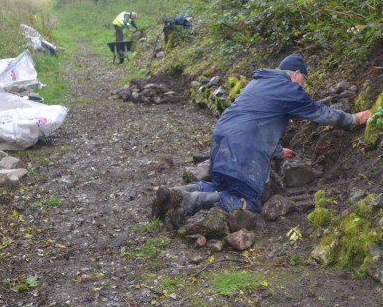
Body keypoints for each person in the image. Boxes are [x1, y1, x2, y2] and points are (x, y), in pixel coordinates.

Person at [152, 52, 371, 227]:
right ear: (296, 74)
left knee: (219, 184)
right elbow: (318, 112)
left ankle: (176, 193)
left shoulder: (257, 84)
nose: (302, 86)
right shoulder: (289, 88)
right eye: (303, 80)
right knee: (246, 201)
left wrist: (277, 151)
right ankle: (192, 202)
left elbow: (260, 121)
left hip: (221, 139)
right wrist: (353, 119)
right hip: (244, 147)